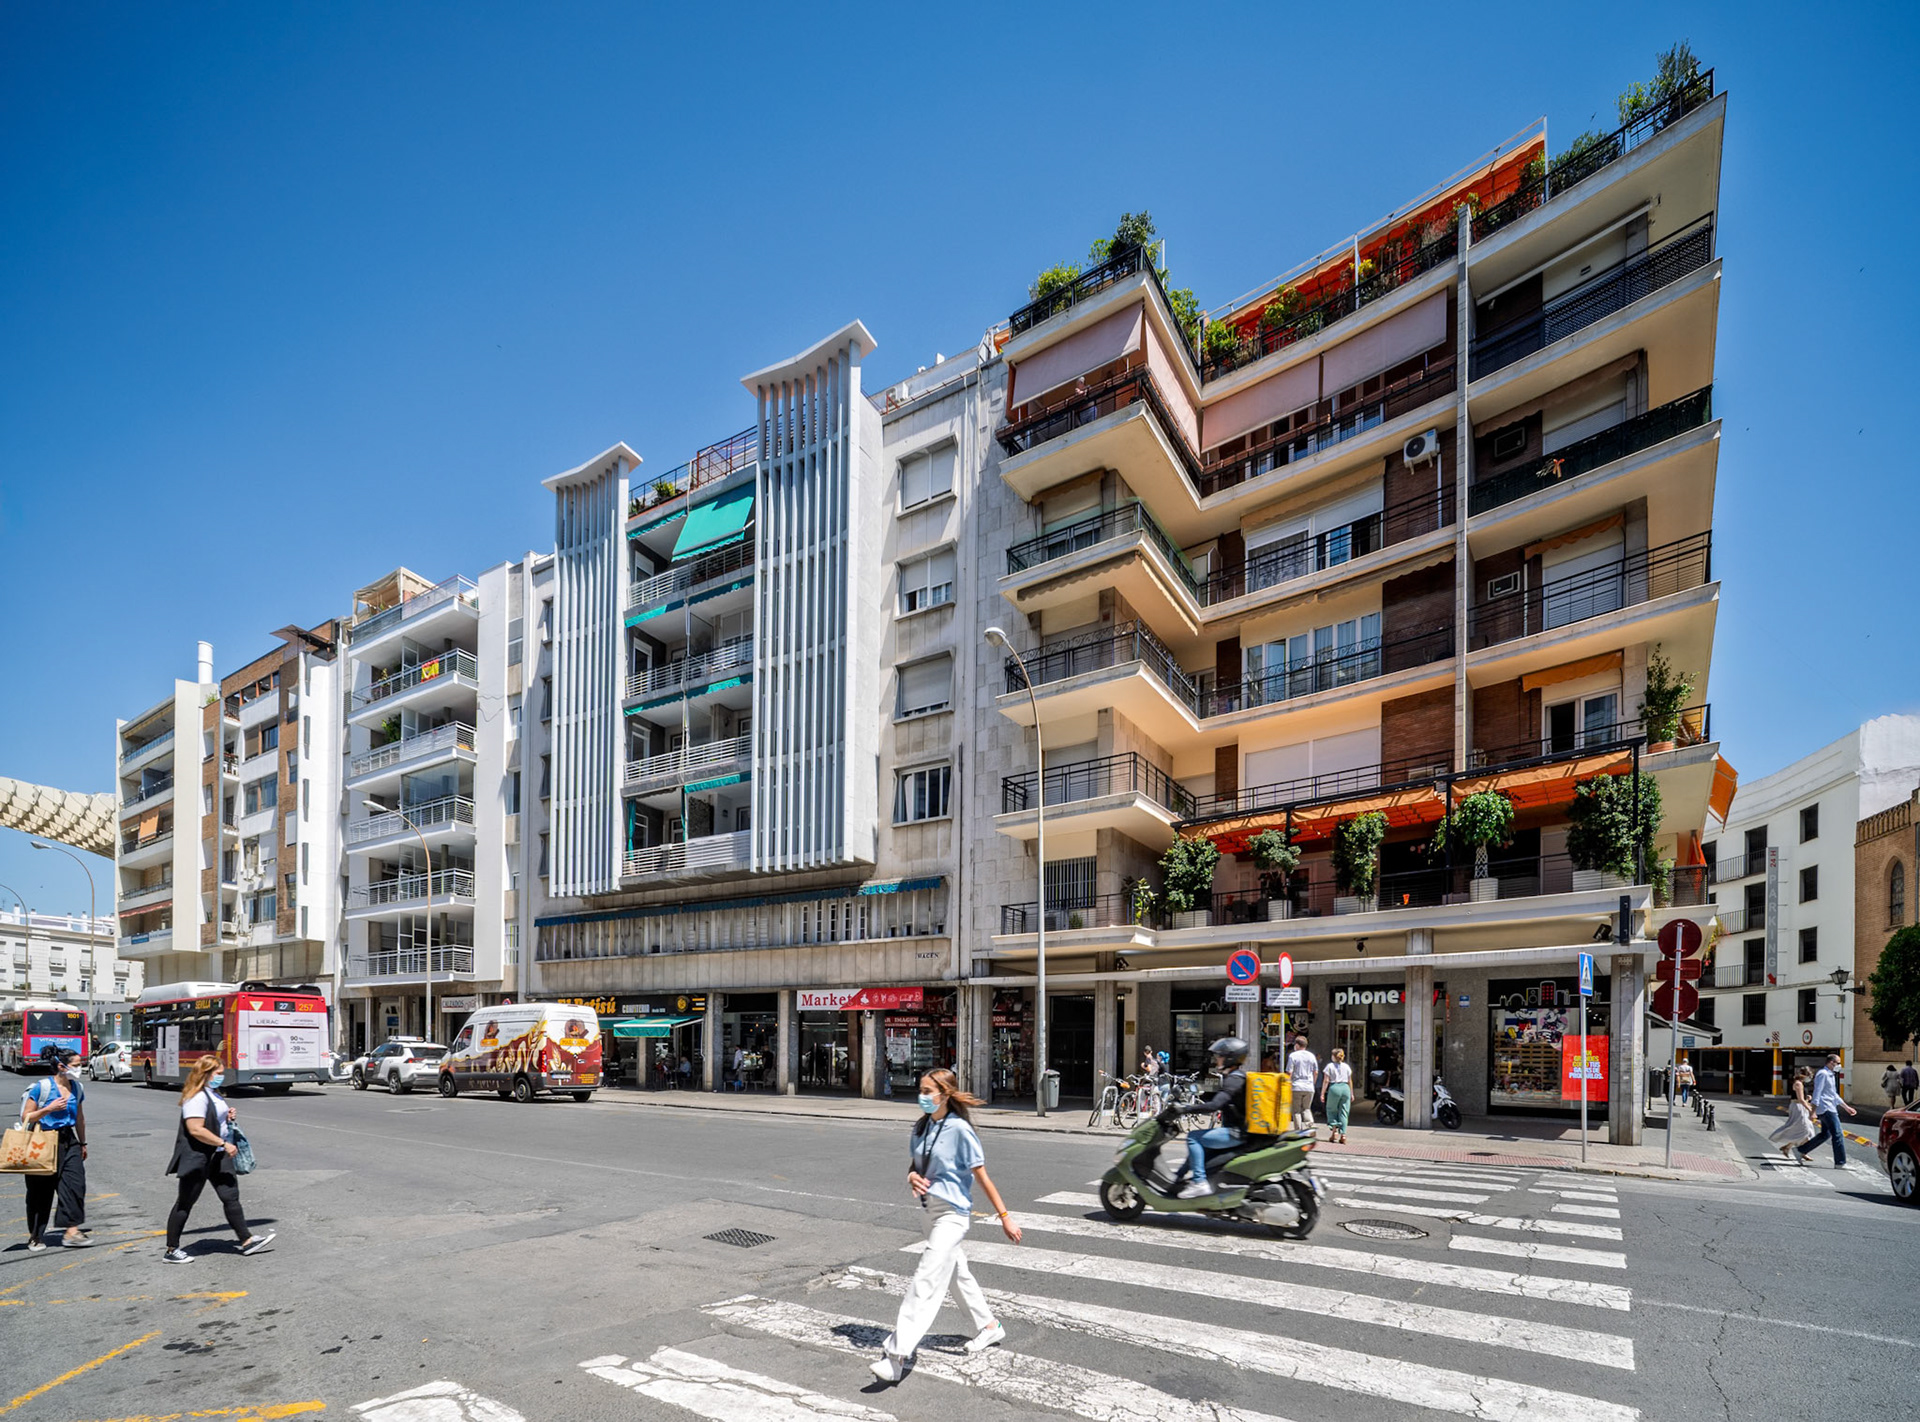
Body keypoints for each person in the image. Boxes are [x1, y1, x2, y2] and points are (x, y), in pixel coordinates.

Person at [869, 1069, 1020, 1384]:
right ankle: (990, 1327)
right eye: (920, 1090)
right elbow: (916, 1166)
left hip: (952, 1215)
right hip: (929, 1214)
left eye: (928, 1090)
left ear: (945, 1093)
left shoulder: (960, 1130)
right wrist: (912, 1176)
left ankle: (896, 1355)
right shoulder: (922, 1127)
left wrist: (1004, 1216)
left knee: (926, 1278)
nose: (922, 1096)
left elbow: (982, 1176)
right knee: (956, 1274)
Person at [163, 1055, 275, 1263]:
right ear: (205, 1074)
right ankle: (171, 1250)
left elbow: (213, 1118)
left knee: (230, 1196)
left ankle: (246, 1240)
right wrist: (223, 1143)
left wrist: (227, 1116)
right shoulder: (196, 1097)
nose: (221, 1077)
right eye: (218, 1073)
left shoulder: (212, 1093)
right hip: (199, 1157)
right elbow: (195, 1129)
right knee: (185, 1202)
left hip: (217, 1156)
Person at [19, 1047, 89, 1251]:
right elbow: (26, 1117)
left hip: (69, 1139)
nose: (80, 1069)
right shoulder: (42, 1087)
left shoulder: (77, 1088)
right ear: (61, 1066)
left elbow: (80, 1118)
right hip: (43, 1140)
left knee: (75, 1185)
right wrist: (48, 1109)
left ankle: (71, 1231)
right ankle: (36, 1236)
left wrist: (83, 1142)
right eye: (76, 1065)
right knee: (40, 1191)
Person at [1168, 1037, 1251, 1199]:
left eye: (1220, 1056)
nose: (1217, 1059)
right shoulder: (1236, 1077)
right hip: (1236, 1130)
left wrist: (1186, 1109)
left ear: (1230, 1058)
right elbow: (1215, 1098)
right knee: (1200, 1147)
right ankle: (1177, 1178)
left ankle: (1199, 1183)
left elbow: (1214, 1105)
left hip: (1236, 1133)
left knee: (1193, 1138)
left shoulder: (1234, 1080)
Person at [1796, 1053, 1858, 1168]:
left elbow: (1833, 1094)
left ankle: (1801, 1150)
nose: (1839, 1065)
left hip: (1830, 1107)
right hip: (1825, 1108)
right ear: (1831, 1062)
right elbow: (1817, 1093)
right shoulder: (1822, 1074)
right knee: (1838, 1134)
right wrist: (1813, 1111)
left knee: (1826, 1134)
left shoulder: (1830, 1075)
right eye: (1838, 1063)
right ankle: (1840, 1162)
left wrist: (1846, 1107)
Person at [1769, 1067, 1817, 1160]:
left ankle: (1790, 1147)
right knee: (1805, 1129)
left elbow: (1802, 1098)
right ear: (1804, 1075)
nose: (1810, 1078)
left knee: (1806, 1130)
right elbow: (1800, 1099)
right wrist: (1810, 1109)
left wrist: (1808, 1098)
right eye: (1809, 1075)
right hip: (1798, 1108)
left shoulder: (1800, 1083)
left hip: (1800, 1107)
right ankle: (1800, 1150)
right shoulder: (1798, 1084)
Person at [1320, 1048, 1354, 1144]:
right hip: (1345, 1088)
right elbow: (1350, 1080)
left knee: (1332, 1109)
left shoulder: (1329, 1066)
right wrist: (1351, 1093)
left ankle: (1334, 1131)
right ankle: (1343, 1134)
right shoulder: (1347, 1067)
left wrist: (1322, 1093)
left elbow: (1326, 1080)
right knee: (1344, 1111)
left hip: (1334, 1087)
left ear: (1333, 1056)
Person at [1285, 1035, 1319, 1134]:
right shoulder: (1311, 1056)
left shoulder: (1293, 1056)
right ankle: (1311, 1125)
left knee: (1296, 1110)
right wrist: (1313, 1083)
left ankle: (1298, 1131)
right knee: (1306, 1108)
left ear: (1297, 1045)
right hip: (1309, 1087)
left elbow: (1289, 1072)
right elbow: (1315, 1071)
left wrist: (1287, 1083)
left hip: (1296, 1086)